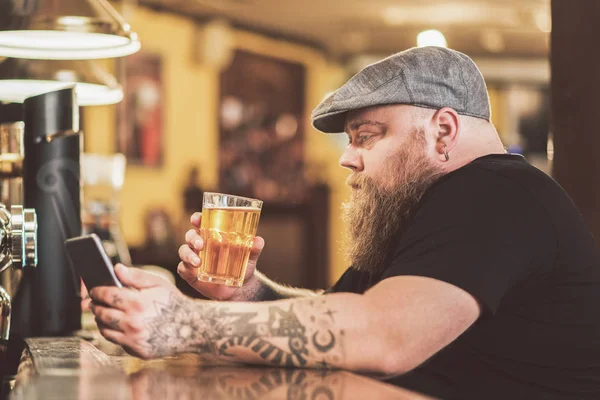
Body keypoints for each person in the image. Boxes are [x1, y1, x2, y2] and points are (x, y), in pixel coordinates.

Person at [89, 47, 600, 400]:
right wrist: (250, 294)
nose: (346, 159)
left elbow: (385, 335)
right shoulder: (425, 202)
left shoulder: (498, 194)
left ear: (442, 130)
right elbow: (344, 317)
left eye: (367, 136)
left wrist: (182, 324)